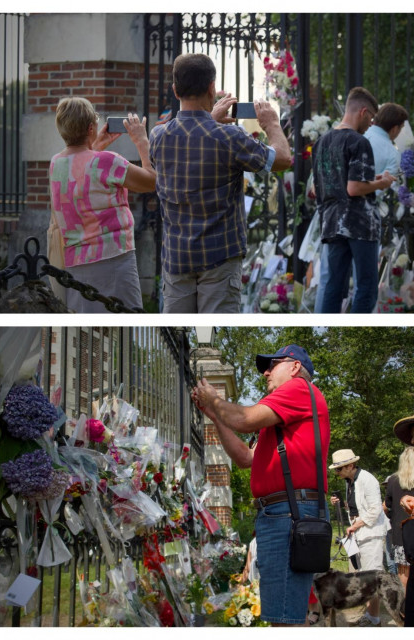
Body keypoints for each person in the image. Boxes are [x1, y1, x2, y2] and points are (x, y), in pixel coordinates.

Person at [192, 344, 330, 626]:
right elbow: (245, 458)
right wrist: (216, 416)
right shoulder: (281, 414)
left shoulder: (298, 389)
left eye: (273, 364)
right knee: (284, 613)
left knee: (283, 618)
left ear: (294, 367)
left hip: (287, 513)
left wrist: (215, 399)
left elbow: (243, 419)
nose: (266, 372)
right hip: (283, 512)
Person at [149, 52, 291, 313]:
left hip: (177, 257)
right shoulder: (229, 136)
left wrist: (209, 120)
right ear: (212, 88)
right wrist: (271, 124)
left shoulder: (158, 136)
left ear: (175, 90)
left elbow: (190, 143)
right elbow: (282, 160)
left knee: (178, 335)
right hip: (219, 258)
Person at [48, 96, 156, 313]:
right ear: (91, 127)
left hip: (76, 263)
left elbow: (81, 173)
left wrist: (94, 145)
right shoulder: (107, 161)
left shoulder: (56, 164)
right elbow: (151, 182)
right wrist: (142, 143)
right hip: (115, 259)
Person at [314, 101, 408, 313]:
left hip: (332, 222)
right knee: (365, 287)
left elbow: (320, 184)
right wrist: (381, 183)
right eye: (370, 116)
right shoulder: (361, 142)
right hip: (361, 224)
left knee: (332, 286)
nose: (370, 122)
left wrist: (370, 179)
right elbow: (355, 188)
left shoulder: (323, 141)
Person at [329, 449, 388, 626]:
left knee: (372, 578)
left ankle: (375, 618)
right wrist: (342, 504)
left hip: (371, 534)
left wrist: (355, 525)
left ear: (351, 465)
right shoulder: (350, 482)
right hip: (360, 534)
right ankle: (370, 616)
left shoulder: (368, 480)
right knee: (364, 577)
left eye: (339, 469)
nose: (336, 473)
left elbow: (375, 509)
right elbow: (356, 508)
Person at [393, 416, 414, 626]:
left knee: (403, 574)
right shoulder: (395, 480)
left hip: (403, 537)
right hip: (408, 539)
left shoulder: (393, 480)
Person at [384, 448, 414, 591]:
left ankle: (405, 610)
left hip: (401, 534)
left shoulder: (392, 480)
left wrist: (393, 518)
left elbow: (386, 507)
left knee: (403, 575)